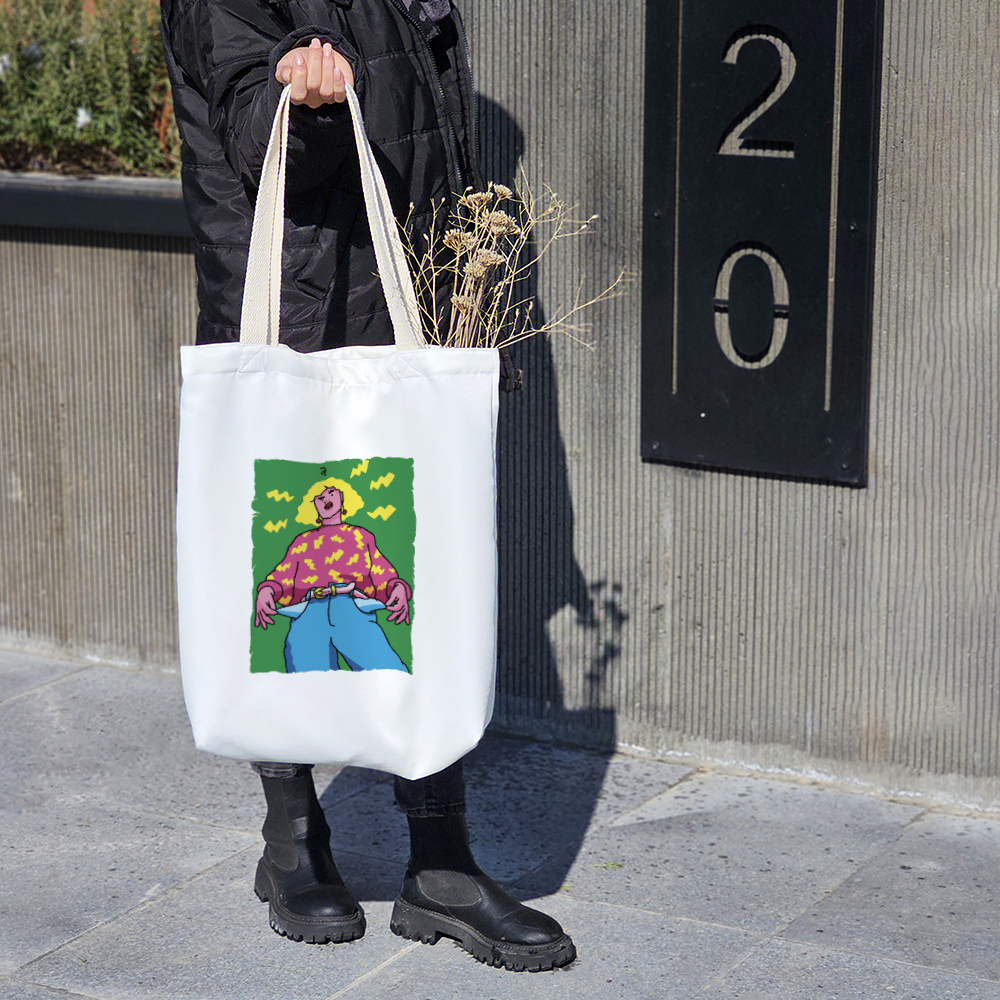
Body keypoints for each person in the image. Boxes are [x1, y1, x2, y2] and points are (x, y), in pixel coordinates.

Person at [160, 0, 575, 972]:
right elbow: (254, 130)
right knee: (284, 590)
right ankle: (293, 837)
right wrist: (302, 105)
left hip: (398, 301)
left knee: (418, 581)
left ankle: (441, 861)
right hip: (299, 304)